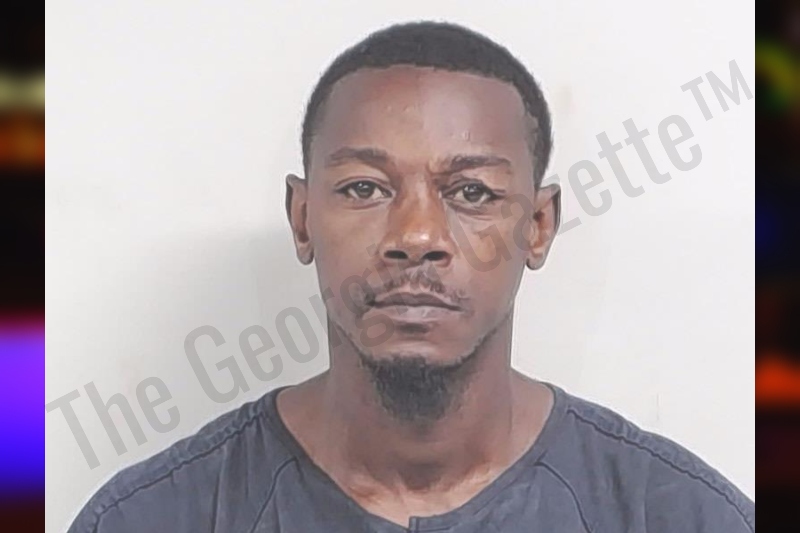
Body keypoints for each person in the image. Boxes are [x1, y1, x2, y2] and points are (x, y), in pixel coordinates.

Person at [69, 21, 755, 532]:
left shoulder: (677, 515)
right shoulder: (154, 517)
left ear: (539, 225)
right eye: (365, 188)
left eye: (472, 193)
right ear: (303, 219)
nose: (417, 237)